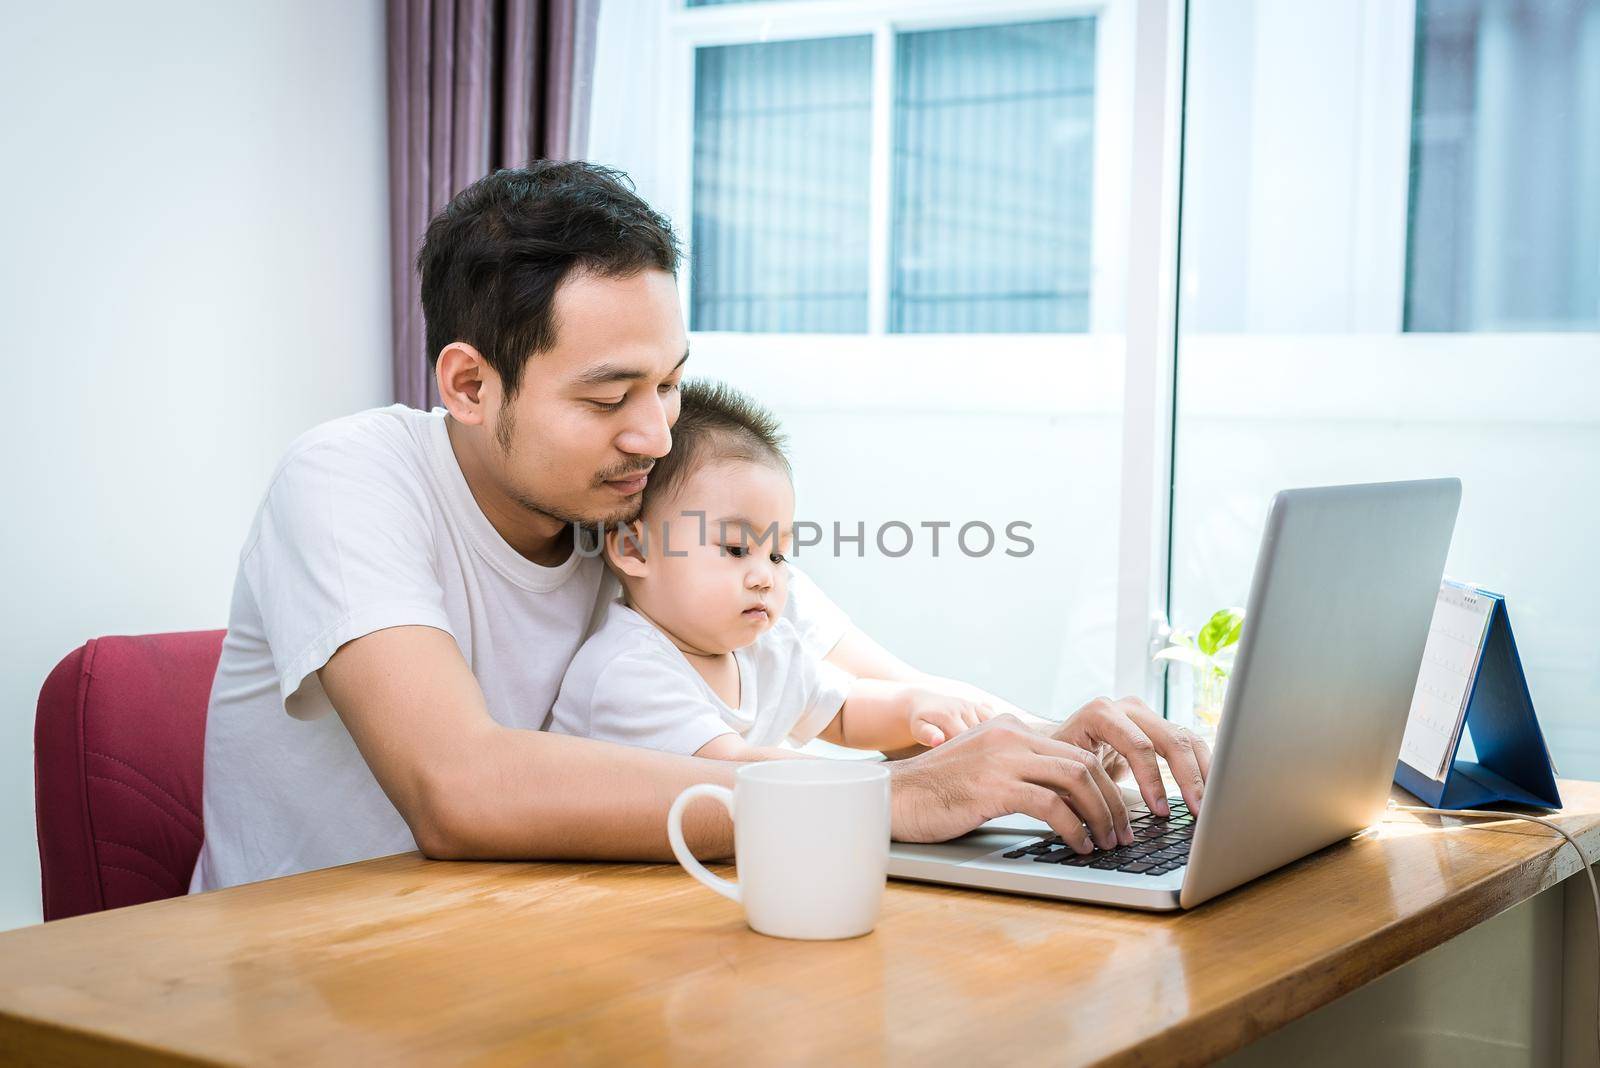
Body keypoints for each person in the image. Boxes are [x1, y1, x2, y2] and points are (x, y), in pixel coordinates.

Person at [189, 161, 1210, 894]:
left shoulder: (641, 502)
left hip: (533, 938)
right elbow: (460, 789)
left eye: (671, 383)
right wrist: (886, 798)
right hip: (312, 984)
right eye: (607, 397)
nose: (652, 433)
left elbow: (869, 679)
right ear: (468, 383)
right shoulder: (349, 480)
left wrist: (1044, 746)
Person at [549, 379, 1001, 759]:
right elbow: (738, 772)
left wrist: (912, 708)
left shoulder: (768, 650)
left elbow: (842, 711)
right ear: (635, 550)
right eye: (735, 548)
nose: (765, 576)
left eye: (777, 555)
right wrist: (914, 785)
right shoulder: (630, 669)